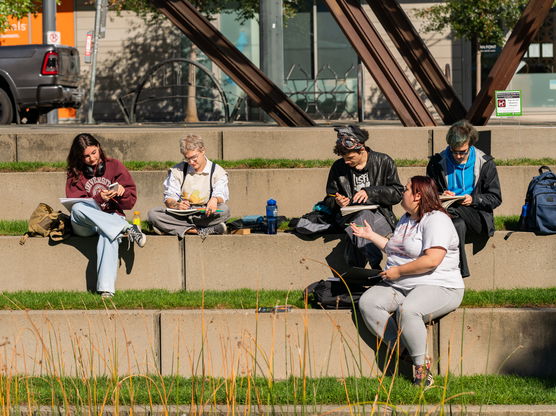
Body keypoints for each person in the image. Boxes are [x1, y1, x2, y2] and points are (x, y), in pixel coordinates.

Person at [352, 176, 464, 387]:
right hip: (401, 284)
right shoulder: (406, 219)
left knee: (408, 310)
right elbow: (396, 249)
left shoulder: (436, 220)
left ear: (418, 195)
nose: (401, 192)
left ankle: (422, 369)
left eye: (406, 189)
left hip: (439, 285)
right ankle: (406, 350)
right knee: (368, 302)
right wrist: (371, 236)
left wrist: (398, 272)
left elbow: (432, 260)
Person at [65, 133, 146, 298]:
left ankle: (106, 290)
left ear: (99, 148)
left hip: (110, 217)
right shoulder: (76, 172)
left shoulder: (115, 166)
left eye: (94, 152)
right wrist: (97, 198)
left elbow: (130, 203)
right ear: (79, 157)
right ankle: (127, 228)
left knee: (109, 233)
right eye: (86, 156)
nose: (92, 159)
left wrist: (122, 194)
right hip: (85, 224)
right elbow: (74, 202)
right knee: (78, 208)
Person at [426, 120, 502, 277]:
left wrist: (474, 200)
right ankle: (459, 273)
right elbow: (428, 193)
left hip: (477, 216)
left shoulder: (485, 163)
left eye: (463, 152)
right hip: (448, 215)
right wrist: (441, 196)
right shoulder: (437, 162)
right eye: (454, 151)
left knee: (456, 211)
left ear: (471, 146)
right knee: (457, 223)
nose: (458, 156)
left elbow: (495, 197)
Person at [323, 125, 403, 269]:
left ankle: (355, 277)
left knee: (358, 227)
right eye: (344, 158)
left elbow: (397, 193)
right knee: (361, 218)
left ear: (361, 149)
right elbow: (329, 198)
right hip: (348, 216)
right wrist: (337, 201)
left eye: (350, 158)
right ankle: (375, 263)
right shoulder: (338, 167)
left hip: (380, 215)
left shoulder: (384, 161)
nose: (346, 162)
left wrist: (371, 192)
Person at [148, 134, 230, 237]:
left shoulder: (218, 171)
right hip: (182, 215)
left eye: (194, 157)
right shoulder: (178, 171)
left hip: (204, 214)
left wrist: (214, 200)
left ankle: (172, 229)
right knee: (153, 214)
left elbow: (221, 193)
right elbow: (169, 197)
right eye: (187, 159)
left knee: (224, 211)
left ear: (203, 150)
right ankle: (199, 230)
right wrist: (177, 205)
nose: (191, 162)